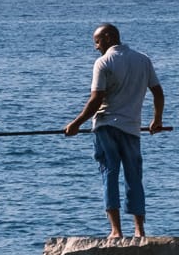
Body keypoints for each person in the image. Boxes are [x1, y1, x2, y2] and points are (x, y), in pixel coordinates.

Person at [63, 24, 167, 240]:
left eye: (97, 41)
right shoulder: (143, 60)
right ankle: (139, 230)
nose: (95, 47)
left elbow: (96, 99)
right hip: (131, 128)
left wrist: (76, 123)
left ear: (109, 38)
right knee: (134, 177)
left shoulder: (103, 63)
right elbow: (158, 93)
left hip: (106, 127)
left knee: (109, 173)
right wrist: (156, 120)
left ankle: (116, 231)